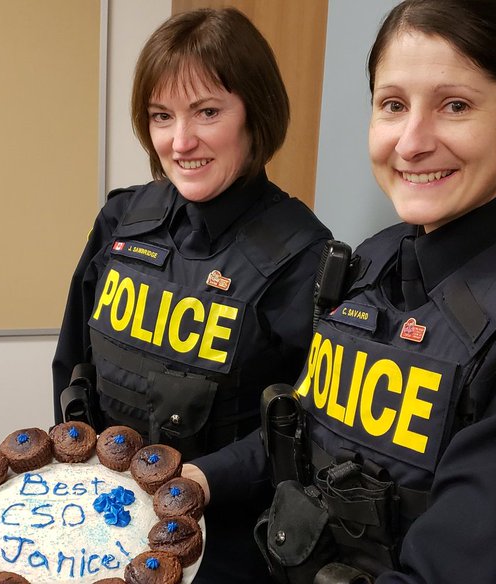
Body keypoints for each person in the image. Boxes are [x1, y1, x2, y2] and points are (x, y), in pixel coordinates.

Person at [185, 1, 496, 582]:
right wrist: (189, 482)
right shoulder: (375, 261)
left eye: (454, 105)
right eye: (393, 106)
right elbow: (303, 433)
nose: (411, 143)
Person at [51, 8, 331, 582]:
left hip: (221, 544)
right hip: (103, 527)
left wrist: (198, 483)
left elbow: (310, 429)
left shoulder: (303, 256)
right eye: (161, 116)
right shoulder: (122, 218)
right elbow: (72, 362)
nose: (181, 142)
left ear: (255, 114)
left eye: (207, 112)